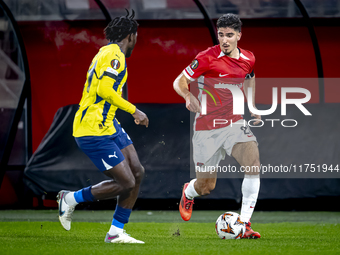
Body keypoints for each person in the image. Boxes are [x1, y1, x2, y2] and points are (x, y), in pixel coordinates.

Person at [57, 10, 148, 244]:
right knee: (126, 182)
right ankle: (70, 199)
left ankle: (116, 232)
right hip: (92, 129)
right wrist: (134, 110)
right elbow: (104, 90)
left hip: (108, 125)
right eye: (136, 35)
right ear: (130, 35)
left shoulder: (109, 53)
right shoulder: (114, 55)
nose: (137, 39)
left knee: (137, 172)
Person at [173, 13, 261, 239]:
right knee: (206, 187)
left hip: (234, 122)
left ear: (239, 35)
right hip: (207, 128)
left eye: (230, 35)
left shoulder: (249, 58)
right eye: (221, 34)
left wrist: (252, 105)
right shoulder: (206, 57)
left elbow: (249, 77)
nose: (225, 39)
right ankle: (189, 190)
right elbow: (179, 81)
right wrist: (186, 95)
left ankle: (244, 223)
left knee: (253, 165)